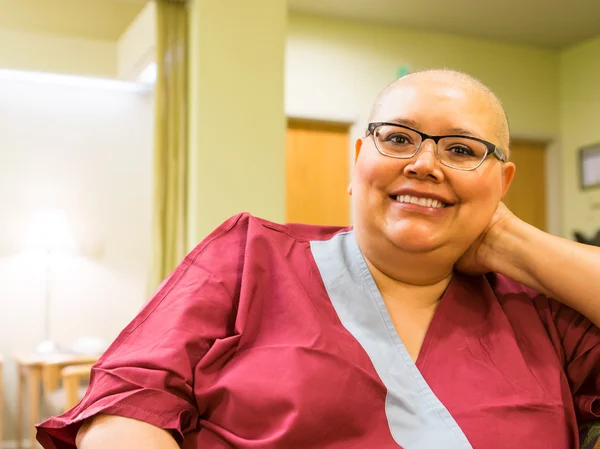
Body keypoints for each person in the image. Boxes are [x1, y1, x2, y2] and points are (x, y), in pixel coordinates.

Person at [37, 69, 600, 449]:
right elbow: (129, 401)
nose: (425, 163)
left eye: (461, 150)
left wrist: (514, 243)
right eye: (399, 139)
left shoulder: (545, 315)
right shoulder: (250, 254)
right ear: (359, 159)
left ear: (502, 182)